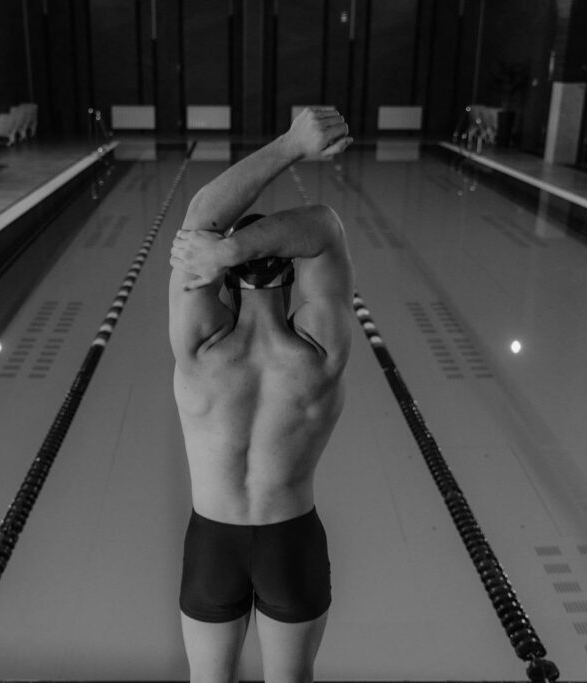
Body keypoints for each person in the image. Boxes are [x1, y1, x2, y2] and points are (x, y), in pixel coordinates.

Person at [167, 106, 355, 683]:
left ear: (222, 277)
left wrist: (288, 145)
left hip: (211, 544)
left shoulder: (199, 353)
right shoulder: (319, 359)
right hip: (291, 543)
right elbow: (323, 225)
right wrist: (235, 251)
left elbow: (203, 212)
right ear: (295, 272)